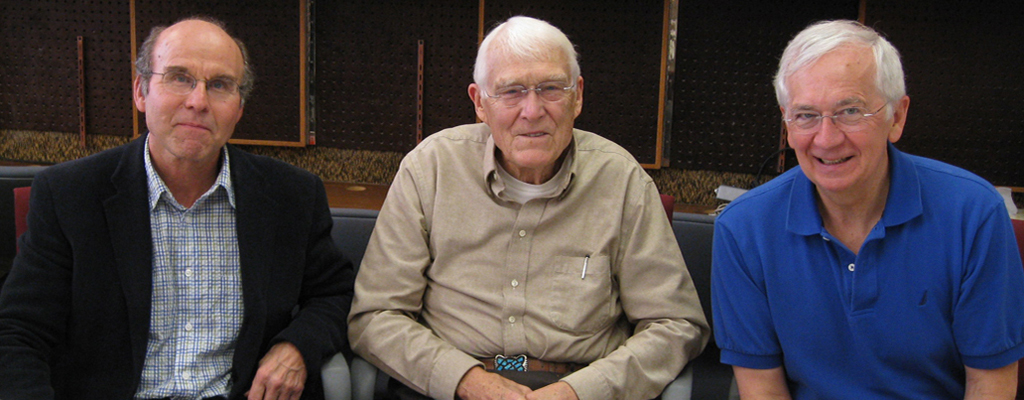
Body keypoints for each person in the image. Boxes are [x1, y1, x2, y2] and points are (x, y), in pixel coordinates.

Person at [348, 15, 708, 400]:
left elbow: (675, 325)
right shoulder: (429, 169)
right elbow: (375, 317)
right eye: (511, 92)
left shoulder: (623, 181)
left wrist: (577, 392)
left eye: (551, 88)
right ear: (479, 102)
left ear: (578, 96)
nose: (532, 110)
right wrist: (467, 382)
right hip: (451, 388)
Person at [0, 17, 355, 400]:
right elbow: (19, 332)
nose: (198, 101)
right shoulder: (70, 194)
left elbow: (335, 293)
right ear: (140, 91)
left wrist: (297, 346)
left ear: (238, 107)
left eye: (219, 85)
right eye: (178, 77)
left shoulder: (292, 196)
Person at [711, 19, 1024, 399]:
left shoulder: (974, 214)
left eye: (850, 111)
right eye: (806, 115)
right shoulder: (742, 230)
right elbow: (761, 389)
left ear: (897, 116)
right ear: (787, 123)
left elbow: (991, 384)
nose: (826, 139)